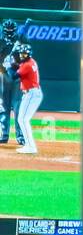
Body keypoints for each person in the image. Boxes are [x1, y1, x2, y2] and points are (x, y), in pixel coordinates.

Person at [11, 44, 41, 155]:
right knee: (22, 119)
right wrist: (13, 64)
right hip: (32, 93)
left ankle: (30, 147)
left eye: (24, 54)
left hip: (31, 94)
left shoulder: (27, 65)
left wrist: (8, 66)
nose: (22, 55)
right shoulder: (31, 61)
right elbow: (19, 67)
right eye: (21, 54)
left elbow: (13, 76)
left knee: (23, 120)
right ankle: (29, 145)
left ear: (29, 54)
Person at [1, 18, 26, 146]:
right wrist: (3, 64)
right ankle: (3, 135)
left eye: (12, 31)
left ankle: (20, 136)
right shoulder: (0, 40)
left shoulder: (22, 39)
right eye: (7, 31)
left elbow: (28, 56)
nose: (10, 33)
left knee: (18, 107)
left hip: (17, 76)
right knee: (3, 106)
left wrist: (17, 54)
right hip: (3, 76)